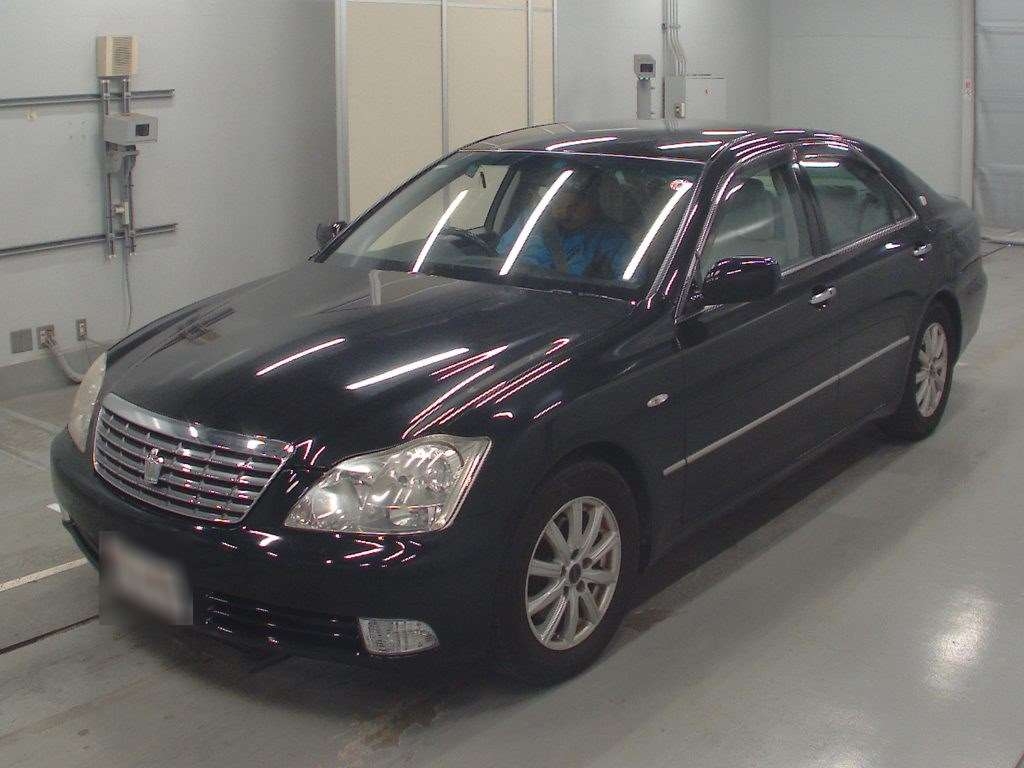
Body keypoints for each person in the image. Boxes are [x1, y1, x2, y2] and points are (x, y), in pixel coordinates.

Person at [496, 171, 631, 279]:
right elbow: (499, 260)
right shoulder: (531, 221)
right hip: (515, 290)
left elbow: (625, 283)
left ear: (595, 203)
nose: (566, 212)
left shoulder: (611, 238)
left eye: (576, 204)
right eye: (559, 202)